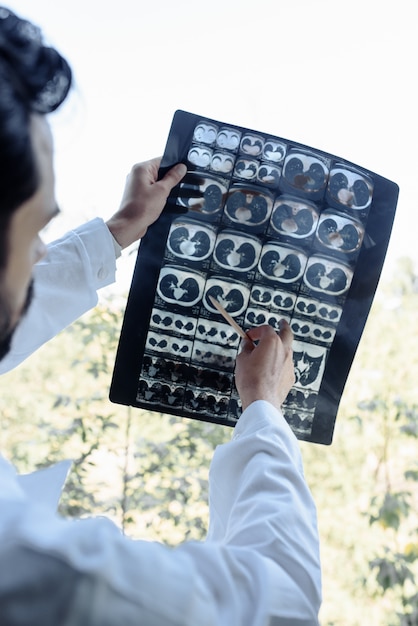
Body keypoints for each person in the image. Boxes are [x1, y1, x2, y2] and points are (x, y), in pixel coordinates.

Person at [0, 7, 322, 625]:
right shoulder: (29, 565)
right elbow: (280, 598)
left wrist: (119, 231)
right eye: (36, 229)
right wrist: (263, 411)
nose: (40, 251)